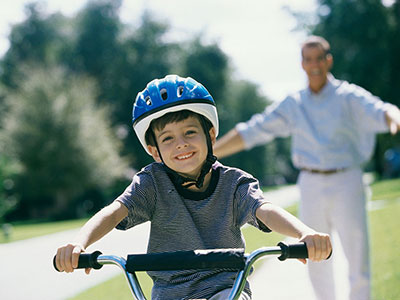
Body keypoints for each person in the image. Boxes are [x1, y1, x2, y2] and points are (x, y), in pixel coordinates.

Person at [55, 75, 332, 300]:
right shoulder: (151, 183)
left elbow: (265, 210)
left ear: (210, 135)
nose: (181, 144)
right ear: (154, 150)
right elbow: (114, 211)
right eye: (168, 138)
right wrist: (79, 244)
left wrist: (304, 233)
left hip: (226, 291)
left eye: (190, 132)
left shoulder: (234, 183)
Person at [213, 36, 400, 300]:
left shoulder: (348, 96)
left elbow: (382, 110)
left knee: (357, 254)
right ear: (302, 63)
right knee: (314, 253)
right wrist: (210, 152)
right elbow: (254, 130)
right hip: (311, 183)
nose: (314, 65)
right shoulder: (294, 104)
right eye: (308, 59)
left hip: (347, 179)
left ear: (328, 60)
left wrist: (395, 119)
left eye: (319, 58)